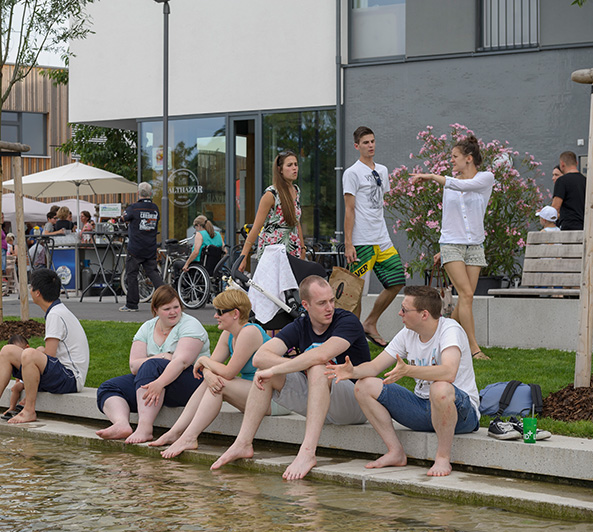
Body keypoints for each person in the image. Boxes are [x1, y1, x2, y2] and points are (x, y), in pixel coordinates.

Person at [211, 276, 370, 480]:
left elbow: (321, 355)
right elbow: (260, 357)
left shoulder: (347, 321)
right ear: (306, 305)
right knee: (266, 374)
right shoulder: (301, 325)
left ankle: (307, 453)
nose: (329, 307)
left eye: (332, 301)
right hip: (317, 397)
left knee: (318, 367)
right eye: (322, 303)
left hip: (354, 402)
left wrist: (282, 367)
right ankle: (243, 443)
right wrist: (280, 369)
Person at [327, 285, 480, 477]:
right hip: (423, 409)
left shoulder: (450, 330)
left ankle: (442, 458)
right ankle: (395, 452)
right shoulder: (408, 333)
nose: (400, 313)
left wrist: (408, 370)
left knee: (440, 387)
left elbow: (449, 372)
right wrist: (353, 371)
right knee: (364, 386)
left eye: (404, 310)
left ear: (424, 314)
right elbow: (374, 367)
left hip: (461, 414)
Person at [149, 289, 269, 458]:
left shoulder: (250, 332)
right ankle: (175, 432)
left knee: (219, 384)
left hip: (272, 397)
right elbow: (210, 365)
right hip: (253, 394)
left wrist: (204, 361)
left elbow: (228, 372)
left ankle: (189, 437)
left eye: (220, 311)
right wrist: (208, 372)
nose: (215, 316)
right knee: (212, 381)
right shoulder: (228, 334)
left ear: (235, 313)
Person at [411, 134, 494, 361]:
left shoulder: (485, 178)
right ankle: (474, 349)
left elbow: (463, 185)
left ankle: (440, 335)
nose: (451, 160)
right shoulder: (449, 185)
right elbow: (449, 218)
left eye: (455, 156)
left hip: (475, 246)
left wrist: (431, 176)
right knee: (466, 294)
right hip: (452, 245)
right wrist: (444, 248)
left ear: (469, 158)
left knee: (466, 298)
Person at [0, 269, 90, 424]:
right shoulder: (57, 311)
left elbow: (50, 356)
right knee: (7, 351)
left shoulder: (55, 315)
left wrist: (24, 380)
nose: (30, 290)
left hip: (71, 379)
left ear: (37, 293)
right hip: (65, 374)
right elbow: (49, 357)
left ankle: (29, 410)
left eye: (31, 287)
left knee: (29, 354)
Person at [97, 285, 211, 443]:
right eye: (167, 309)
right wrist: (163, 356)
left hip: (192, 383)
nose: (173, 312)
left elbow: (182, 362)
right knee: (109, 387)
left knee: (151, 365)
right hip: (155, 382)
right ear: (156, 310)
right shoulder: (147, 327)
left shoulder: (190, 325)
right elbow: (134, 366)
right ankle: (121, 424)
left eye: (176, 307)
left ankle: (145, 428)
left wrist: (159, 383)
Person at [343, 126, 406, 347]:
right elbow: (349, 209)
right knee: (356, 293)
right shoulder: (352, 173)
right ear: (356, 146)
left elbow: (379, 203)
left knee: (397, 281)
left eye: (372, 141)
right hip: (361, 242)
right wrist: (348, 243)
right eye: (365, 142)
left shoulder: (382, 170)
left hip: (382, 239)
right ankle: (354, 339)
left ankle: (370, 322)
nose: (370, 145)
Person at [238, 150, 305, 271]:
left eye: (296, 164)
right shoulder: (271, 194)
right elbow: (256, 228)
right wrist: (243, 257)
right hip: (273, 250)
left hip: (293, 248)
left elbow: (296, 222)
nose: (294, 168)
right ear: (280, 169)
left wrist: (303, 248)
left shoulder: (296, 191)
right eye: (289, 165)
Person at [120, 182, 164, 312]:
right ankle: (166, 298)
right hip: (150, 247)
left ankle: (132, 304)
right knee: (153, 273)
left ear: (138, 193)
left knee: (132, 275)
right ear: (150, 194)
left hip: (135, 248)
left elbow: (123, 218)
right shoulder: (155, 208)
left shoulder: (134, 208)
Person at [551, 151, 586, 231]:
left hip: (569, 226)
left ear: (562, 164)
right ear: (576, 163)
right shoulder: (585, 180)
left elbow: (555, 207)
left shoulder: (562, 181)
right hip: (585, 226)